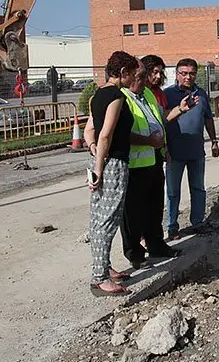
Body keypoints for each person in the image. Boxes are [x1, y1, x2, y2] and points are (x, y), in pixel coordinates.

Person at [119, 57, 195, 266]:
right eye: (142, 76)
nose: (147, 80)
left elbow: (160, 119)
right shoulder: (122, 98)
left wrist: (180, 109)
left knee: (154, 207)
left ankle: (156, 245)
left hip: (153, 160)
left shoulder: (149, 95)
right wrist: (148, 141)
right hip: (133, 165)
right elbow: (120, 134)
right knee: (133, 213)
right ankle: (135, 254)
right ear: (129, 76)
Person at [82, 50, 139, 296]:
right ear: (123, 73)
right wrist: (100, 168)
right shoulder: (116, 96)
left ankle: (104, 266)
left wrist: (95, 154)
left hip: (101, 160)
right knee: (107, 221)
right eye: (133, 74)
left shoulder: (97, 95)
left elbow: (89, 132)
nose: (134, 79)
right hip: (113, 164)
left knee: (98, 218)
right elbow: (105, 133)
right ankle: (99, 278)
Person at [164, 58, 219, 240]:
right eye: (184, 73)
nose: (188, 77)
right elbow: (162, 121)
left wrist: (214, 141)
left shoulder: (201, 94)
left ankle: (197, 222)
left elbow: (208, 119)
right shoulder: (168, 95)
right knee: (173, 192)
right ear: (177, 74)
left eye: (192, 73)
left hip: (196, 152)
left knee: (198, 188)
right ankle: (172, 226)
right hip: (175, 153)